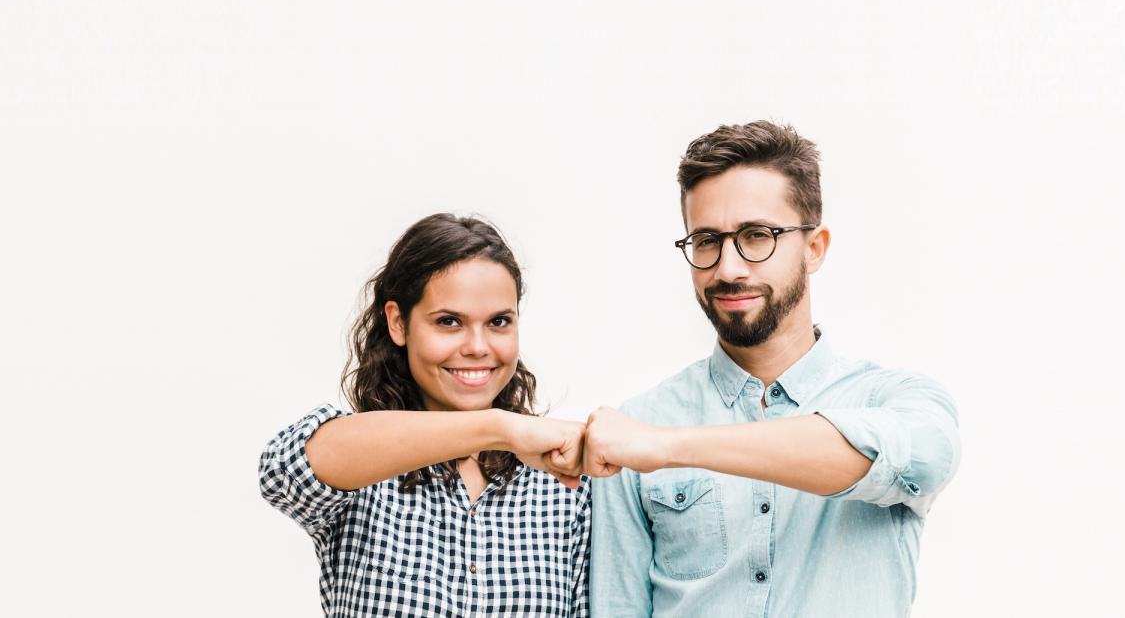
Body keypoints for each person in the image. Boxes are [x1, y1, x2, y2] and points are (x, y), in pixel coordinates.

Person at [584, 121, 961, 617]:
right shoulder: (639, 423)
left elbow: (917, 459)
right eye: (707, 240)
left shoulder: (896, 400)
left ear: (814, 247)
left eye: (757, 235)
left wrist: (667, 446)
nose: (728, 268)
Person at [259, 213, 591, 618]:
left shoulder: (565, 487)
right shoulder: (365, 466)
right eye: (449, 322)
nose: (477, 346)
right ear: (398, 323)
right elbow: (284, 471)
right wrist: (498, 427)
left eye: (498, 322)